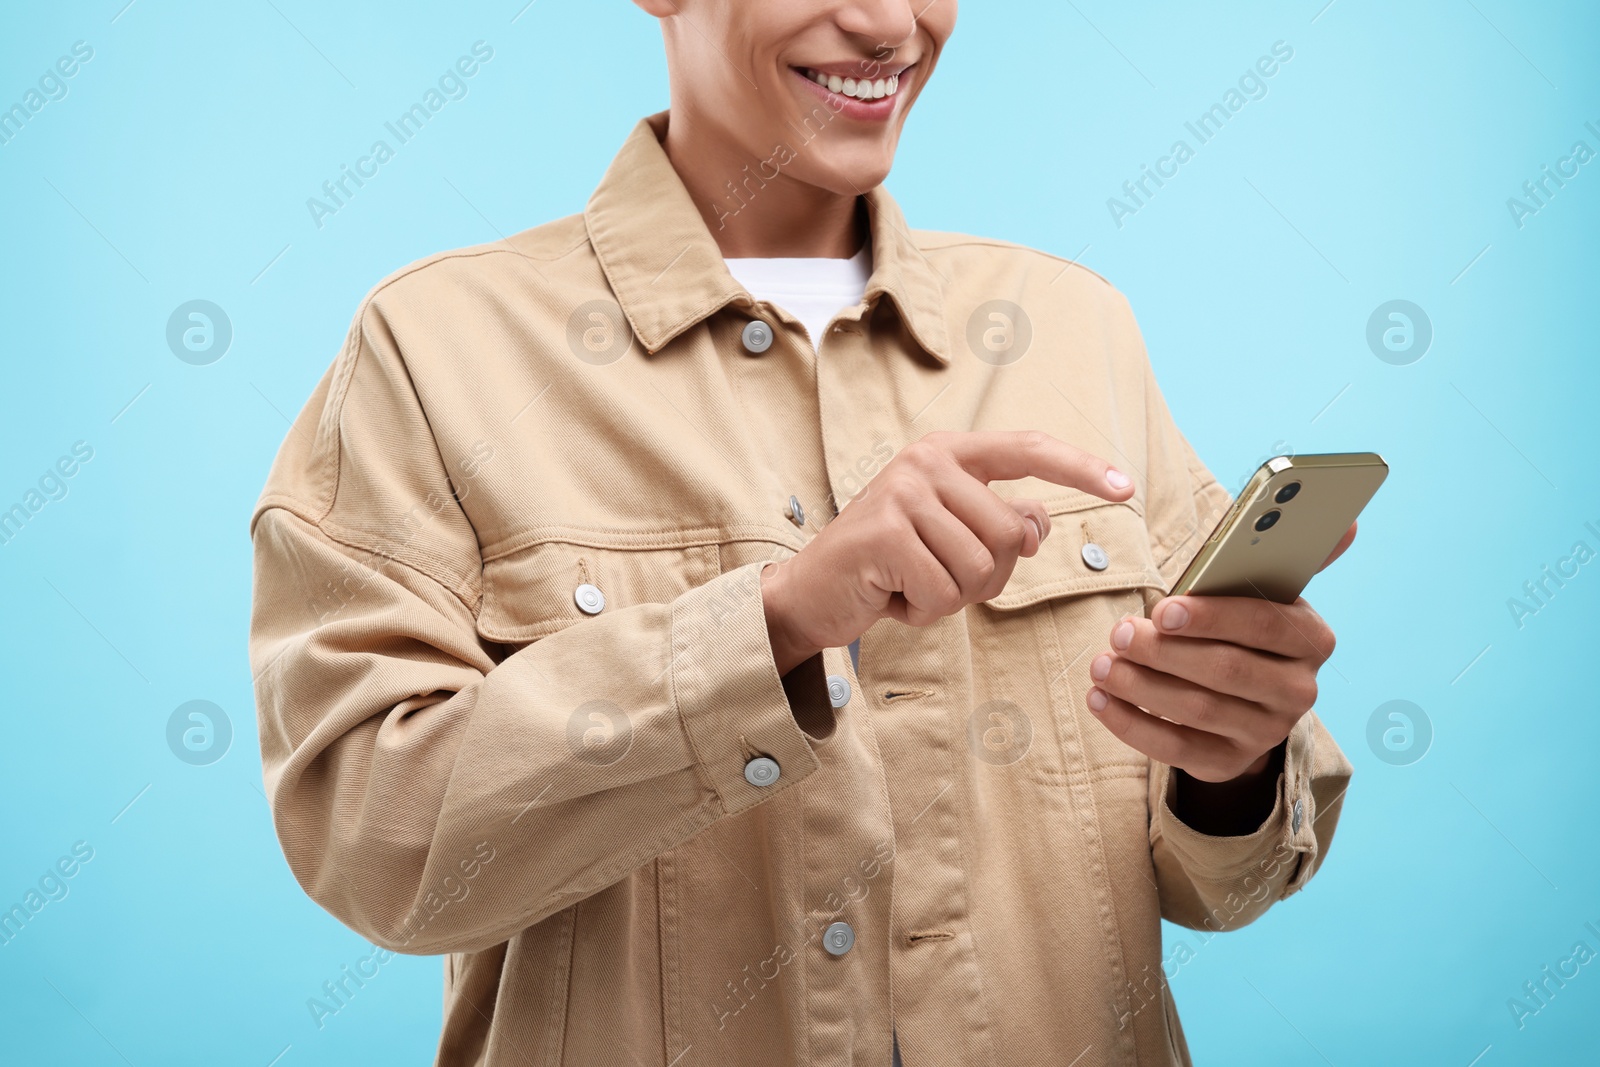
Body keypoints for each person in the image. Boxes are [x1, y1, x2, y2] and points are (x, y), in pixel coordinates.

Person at [248, 2, 1357, 1064]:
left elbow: (1228, 881)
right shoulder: (437, 348)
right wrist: (772, 626)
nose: (888, 24)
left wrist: (1238, 766)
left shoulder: (1075, 325)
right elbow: (375, 849)